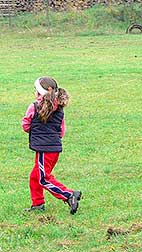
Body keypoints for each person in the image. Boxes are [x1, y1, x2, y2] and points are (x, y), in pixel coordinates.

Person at [22, 77, 82, 214]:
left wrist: (36, 133)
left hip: (44, 149)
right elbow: (61, 131)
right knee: (35, 176)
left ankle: (69, 195)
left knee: (43, 179)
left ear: (38, 93)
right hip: (54, 148)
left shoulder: (34, 106)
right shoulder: (59, 107)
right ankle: (37, 204)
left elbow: (26, 125)